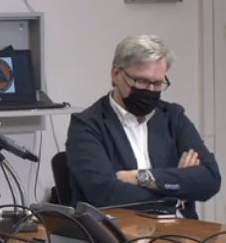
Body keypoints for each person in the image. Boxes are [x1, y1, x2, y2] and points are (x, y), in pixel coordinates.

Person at [65, 34, 220, 219]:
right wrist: (177, 192)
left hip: (183, 231)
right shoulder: (87, 125)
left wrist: (140, 177)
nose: (150, 90)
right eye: (142, 81)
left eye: (158, 83)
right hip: (120, 231)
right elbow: (106, 194)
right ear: (116, 74)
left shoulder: (173, 117)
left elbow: (210, 179)